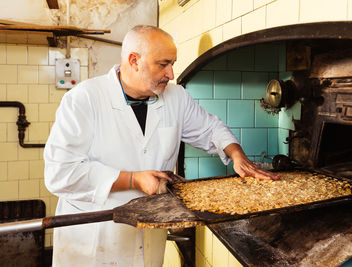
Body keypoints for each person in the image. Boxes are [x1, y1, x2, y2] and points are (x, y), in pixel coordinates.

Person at [44, 25, 278, 267]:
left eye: (173, 63)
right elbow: (59, 173)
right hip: (95, 239)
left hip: (148, 237)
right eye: (163, 64)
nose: (171, 73)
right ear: (134, 61)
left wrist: (236, 154)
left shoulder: (176, 97)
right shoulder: (85, 99)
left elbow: (210, 128)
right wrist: (133, 179)